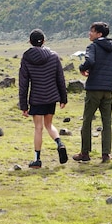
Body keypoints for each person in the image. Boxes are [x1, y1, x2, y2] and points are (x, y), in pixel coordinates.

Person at [73, 22, 112, 163]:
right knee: (107, 122)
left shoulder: (93, 46)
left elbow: (89, 61)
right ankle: (105, 154)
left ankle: (85, 153)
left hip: (93, 89)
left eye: (92, 31)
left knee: (87, 121)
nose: (89, 33)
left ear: (99, 34)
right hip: (108, 90)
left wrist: (81, 68)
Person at [19, 29, 68, 169]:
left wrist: (24, 105)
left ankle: (37, 159)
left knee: (38, 128)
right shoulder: (53, 56)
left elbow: (24, 83)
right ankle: (59, 143)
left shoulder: (26, 57)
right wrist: (63, 98)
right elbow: (60, 78)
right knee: (49, 125)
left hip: (37, 98)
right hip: (51, 97)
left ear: (30, 41)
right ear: (44, 41)